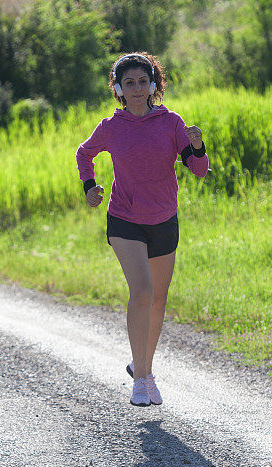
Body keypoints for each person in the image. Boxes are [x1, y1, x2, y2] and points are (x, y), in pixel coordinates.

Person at [75, 52, 209, 407]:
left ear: (153, 85)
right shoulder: (111, 127)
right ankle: (144, 380)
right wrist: (90, 187)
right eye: (129, 83)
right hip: (125, 219)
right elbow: (83, 154)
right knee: (143, 291)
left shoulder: (171, 123)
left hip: (164, 218)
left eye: (142, 82)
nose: (136, 89)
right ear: (119, 88)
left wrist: (197, 145)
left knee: (159, 300)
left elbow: (197, 169)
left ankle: (141, 364)